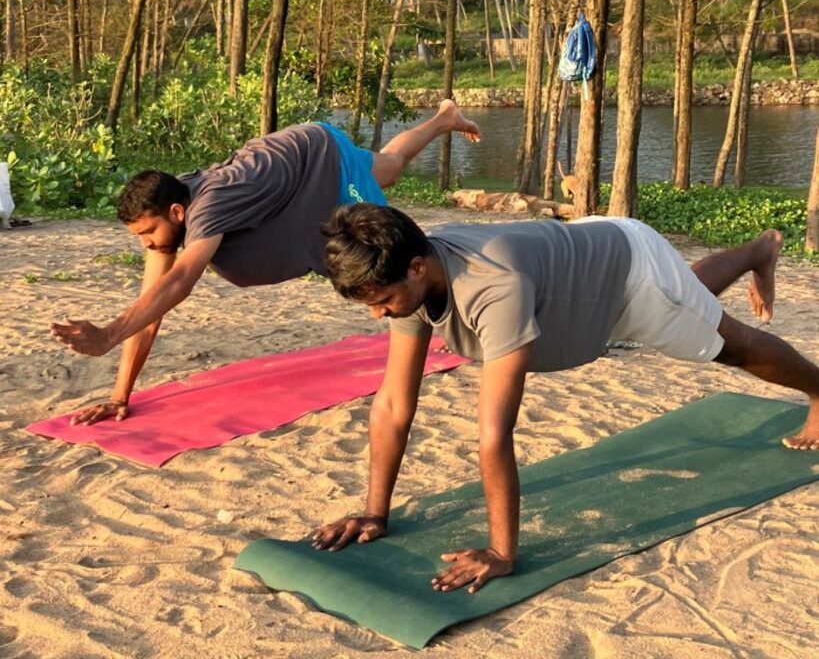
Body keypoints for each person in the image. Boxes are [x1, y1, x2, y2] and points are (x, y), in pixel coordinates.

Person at [311, 204, 819, 595]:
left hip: (628, 276)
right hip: (585, 269)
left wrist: (500, 551)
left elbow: (494, 433)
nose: (379, 315)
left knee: (728, 344)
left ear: (418, 268)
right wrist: (375, 513)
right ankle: (757, 251)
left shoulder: (493, 287)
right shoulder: (406, 272)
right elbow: (395, 404)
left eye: (382, 302)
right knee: (689, 301)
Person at [49, 103, 480, 426]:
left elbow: (180, 283)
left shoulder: (210, 205)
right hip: (291, 160)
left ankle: (441, 315)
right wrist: (121, 394)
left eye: (148, 233)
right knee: (386, 167)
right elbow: (150, 307)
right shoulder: (171, 217)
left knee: (384, 256)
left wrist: (106, 334)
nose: (147, 244)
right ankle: (444, 118)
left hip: (319, 158)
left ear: (178, 213)